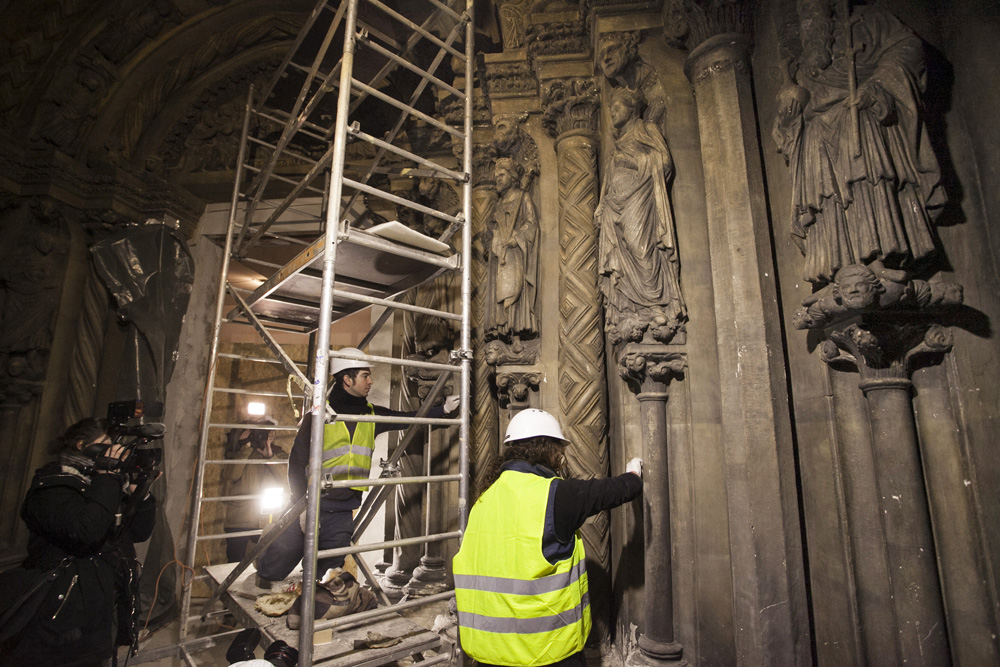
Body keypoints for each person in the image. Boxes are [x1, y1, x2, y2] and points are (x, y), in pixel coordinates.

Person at [772, 0, 945, 285]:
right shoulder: (802, 58)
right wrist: (789, 119)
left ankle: (879, 260)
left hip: (859, 121)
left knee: (867, 183)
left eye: (810, 6)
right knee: (827, 202)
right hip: (816, 139)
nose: (805, 14)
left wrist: (876, 88)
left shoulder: (868, 23)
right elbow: (786, 128)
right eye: (801, 9)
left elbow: (908, 50)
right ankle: (840, 268)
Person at [453, 409, 643, 667]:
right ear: (549, 450)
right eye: (559, 449)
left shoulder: (484, 499)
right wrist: (634, 476)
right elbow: (611, 491)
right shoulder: (555, 495)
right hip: (545, 653)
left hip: (488, 653)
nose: (561, 456)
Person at [255, 347, 459, 586]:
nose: (371, 381)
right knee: (271, 570)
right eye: (365, 375)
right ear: (347, 379)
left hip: (341, 513)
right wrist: (301, 506)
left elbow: (409, 418)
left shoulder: (372, 415)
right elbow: (297, 463)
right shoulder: (318, 416)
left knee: (325, 580)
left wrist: (443, 410)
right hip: (308, 506)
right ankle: (265, 547)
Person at [0, 418, 157, 667]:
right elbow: (86, 530)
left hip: (101, 608)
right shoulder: (54, 484)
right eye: (107, 444)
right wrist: (108, 478)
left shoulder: (108, 481)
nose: (114, 451)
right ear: (82, 445)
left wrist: (141, 493)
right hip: (61, 613)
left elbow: (137, 532)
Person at [596, 86, 686, 345]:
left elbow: (663, 162)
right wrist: (602, 204)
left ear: (632, 108)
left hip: (640, 199)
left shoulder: (647, 131)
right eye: (611, 108)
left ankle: (655, 305)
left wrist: (634, 161)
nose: (613, 112)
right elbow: (609, 178)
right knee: (621, 257)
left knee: (642, 249)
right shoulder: (617, 142)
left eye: (617, 107)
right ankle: (629, 308)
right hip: (615, 205)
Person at [222, 417, 288, 563]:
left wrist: (270, 457)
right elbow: (231, 474)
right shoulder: (239, 452)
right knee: (234, 565)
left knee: (271, 563)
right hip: (240, 518)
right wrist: (245, 447)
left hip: (269, 519)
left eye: (265, 434)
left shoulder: (278, 454)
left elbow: (288, 479)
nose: (262, 437)